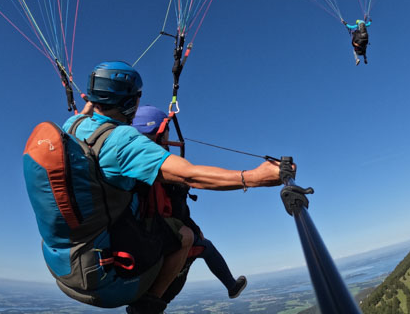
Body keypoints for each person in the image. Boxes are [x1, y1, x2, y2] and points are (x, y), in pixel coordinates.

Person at [59, 61, 283, 314]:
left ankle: (230, 285)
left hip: (73, 260)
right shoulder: (128, 145)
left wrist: (91, 101)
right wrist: (254, 177)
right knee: (189, 238)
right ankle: (149, 306)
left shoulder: (73, 127)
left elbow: (87, 113)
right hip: (118, 261)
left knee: (201, 243)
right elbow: (190, 176)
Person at [132, 105, 247, 300]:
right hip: (155, 235)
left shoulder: (128, 160)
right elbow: (177, 211)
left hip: (136, 232)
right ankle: (231, 286)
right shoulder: (160, 168)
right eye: (167, 131)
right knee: (204, 246)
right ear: (158, 132)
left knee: (196, 239)